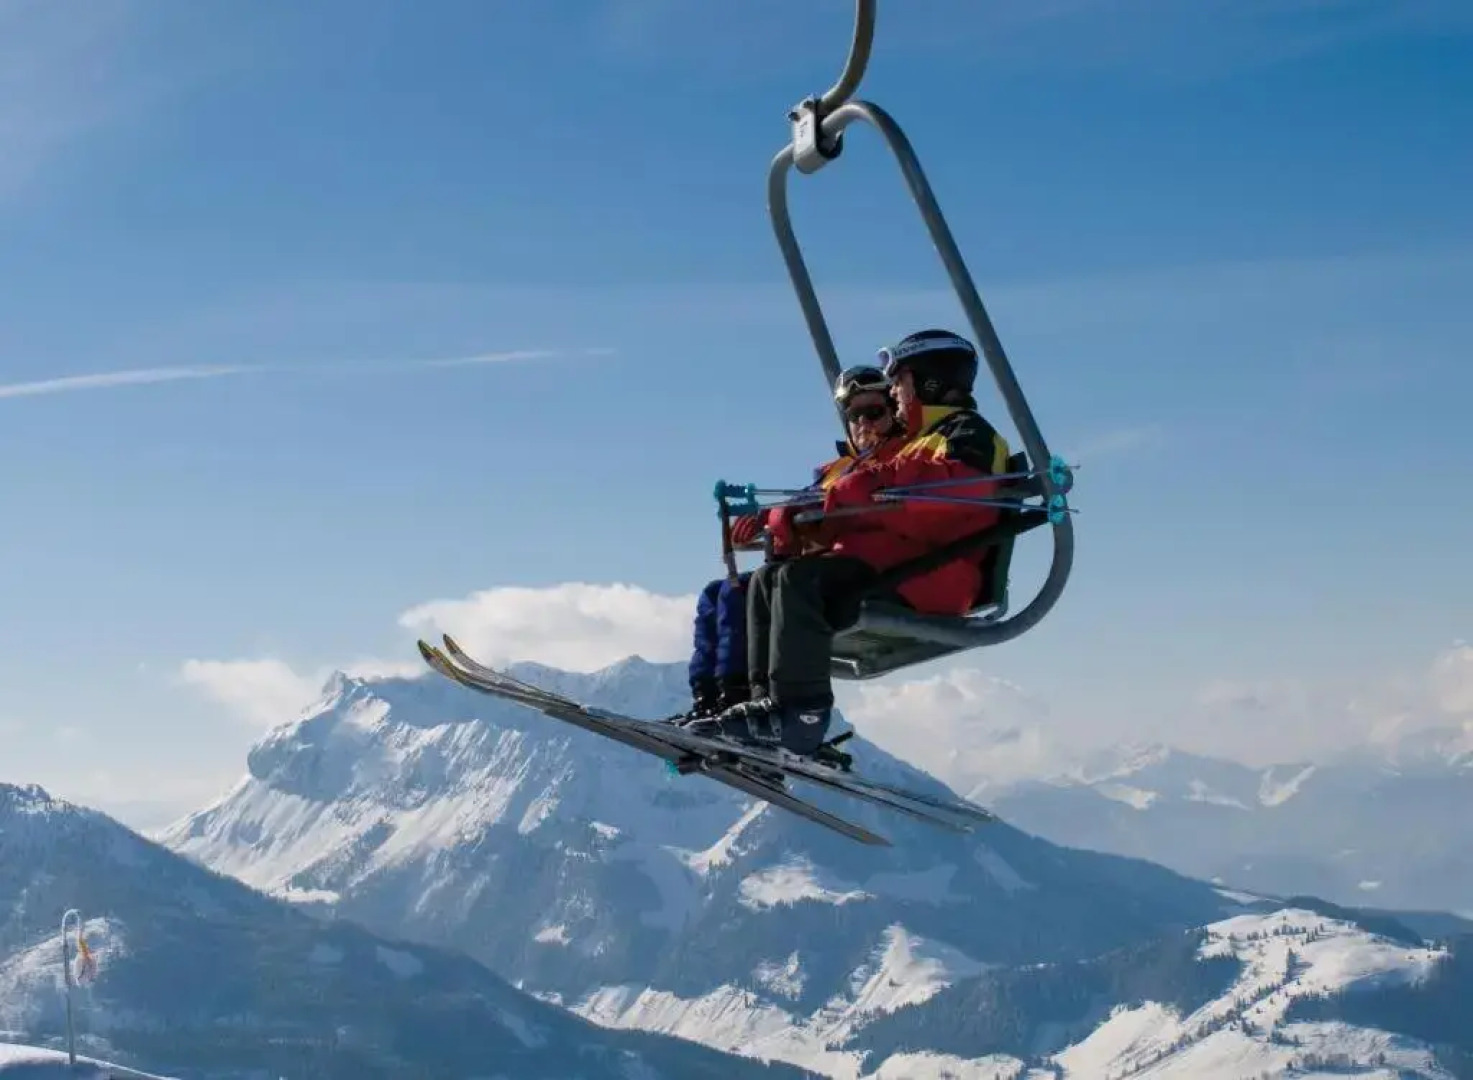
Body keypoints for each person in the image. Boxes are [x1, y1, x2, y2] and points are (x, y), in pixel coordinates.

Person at [686, 328, 1010, 756]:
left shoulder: (966, 433)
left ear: (928, 381)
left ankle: (801, 712)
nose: (894, 393)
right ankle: (759, 706)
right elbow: (870, 506)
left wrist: (874, 483)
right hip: (898, 565)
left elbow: (960, 490)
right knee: (771, 578)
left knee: (798, 583)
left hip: (934, 570)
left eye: (898, 382)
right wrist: (799, 523)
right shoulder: (920, 441)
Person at [670, 365, 904, 722]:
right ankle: (714, 698)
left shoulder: (896, 463)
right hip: (818, 566)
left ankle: (753, 701)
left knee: (754, 590)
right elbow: (808, 506)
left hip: (853, 572)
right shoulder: (839, 469)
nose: (863, 424)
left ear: (893, 412)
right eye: (854, 415)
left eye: (873, 413)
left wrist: (783, 519)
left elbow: (831, 514)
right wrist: (765, 521)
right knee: (719, 594)